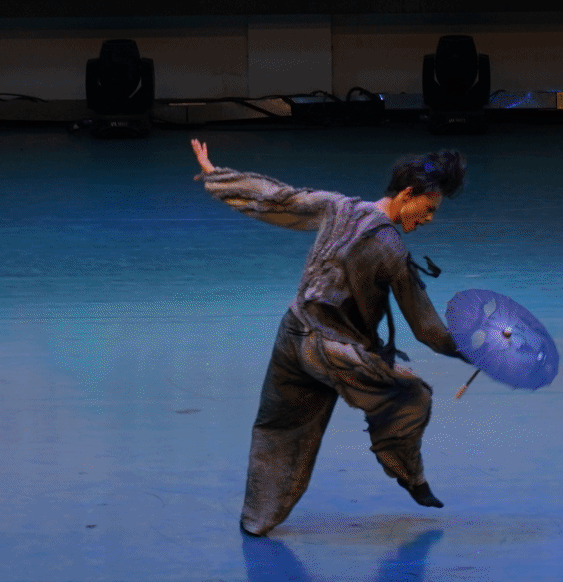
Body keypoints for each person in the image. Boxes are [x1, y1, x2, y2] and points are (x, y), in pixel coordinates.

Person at [191, 139, 468, 536]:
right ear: (408, 194)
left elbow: (279, 198)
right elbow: (427, 330)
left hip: (291, 334)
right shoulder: (392, 251)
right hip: (329, 350)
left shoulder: (339, 206)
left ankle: (257, 520)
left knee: (279, 428)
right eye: (429, 208)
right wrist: (476, 351)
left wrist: (218, 177)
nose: (428, 219)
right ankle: (410, 475)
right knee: (410, 397)